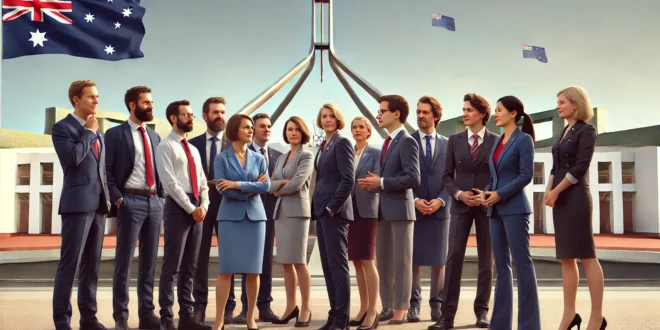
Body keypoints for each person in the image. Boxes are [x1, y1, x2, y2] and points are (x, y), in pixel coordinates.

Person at [432, 93, 497, 330]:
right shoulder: (454, 140)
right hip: (460, 206)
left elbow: (498, 174)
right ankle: (447, 316)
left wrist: (484, 194)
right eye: (463, 109)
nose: (465, 113)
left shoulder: (496, 140)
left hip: (486, 205)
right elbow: (446, 176)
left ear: (481, 114)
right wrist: (459, 195)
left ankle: (482, 312)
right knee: (454, 257)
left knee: (485, 260)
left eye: (469, 110)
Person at [545, 86, 607, 330]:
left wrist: (556, 191)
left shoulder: (587, 130)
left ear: (576, 104)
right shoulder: (563, 132)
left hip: (577, 198)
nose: (558, 105)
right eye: (557, 101)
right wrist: (548, 192)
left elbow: (580, 167)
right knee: (566, 258)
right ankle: (569, 315)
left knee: (587, 256)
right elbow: (555, 167)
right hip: (560, 198)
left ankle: (597, 317)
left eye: (562, 102)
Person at [51, 80, 111, 330]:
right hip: (76, 204)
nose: (96, 101)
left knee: (91, 266)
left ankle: (89, 319)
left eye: (97, 97)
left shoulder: (98, 129)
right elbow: (73, 159)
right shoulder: (62, 128)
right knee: (70, 264)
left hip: (98, 205)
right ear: (76, 99)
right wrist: (88, 132)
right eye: (91, 97)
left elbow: (101, 168)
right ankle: (62, 321)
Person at [358, 95, 420, 326]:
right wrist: (373, 184)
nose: (378, 115)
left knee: (402, 262)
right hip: (383, 211)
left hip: (401, 211)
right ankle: (387, 305)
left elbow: (413, 178)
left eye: (382, 111)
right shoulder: (385, 143)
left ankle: (401, 309)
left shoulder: (407, 141)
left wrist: (381, 182)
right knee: (383, 262)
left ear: (396, 114)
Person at [480, 96, 540, 330]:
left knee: (522, 265)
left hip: (515, 210)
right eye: (495, 110)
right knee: (501, 267)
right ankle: (500, 325)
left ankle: (529, 326)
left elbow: (526, 175)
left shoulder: (524, 140)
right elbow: (494, 177)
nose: (495, 114)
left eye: (499, 110)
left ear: (513, 113)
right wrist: (486, 193)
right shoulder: (497, 142)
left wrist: (499, 194)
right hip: (494, 210)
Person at [106, 86, 162, 330]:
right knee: (124, 261)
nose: (151, 106)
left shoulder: (155, 136)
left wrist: (161, 198)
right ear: (132, 105)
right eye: (146, 102)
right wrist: (119, 200)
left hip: (153, 202)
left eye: (151, 102)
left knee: (149, 262)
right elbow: (106, 171)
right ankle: (121, 316)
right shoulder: (115, 134)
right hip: (130, 202)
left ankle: (147, 314)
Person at [155, 100, 211, 330]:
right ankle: (167, 319)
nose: (191, 118)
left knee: (191, 266)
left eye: (192, 115)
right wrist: (191, 208)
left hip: (197, 206)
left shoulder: (194, 150)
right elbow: (169, 183)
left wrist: (204, 206)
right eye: (186, 115)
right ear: (173, 118)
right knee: (172, 266)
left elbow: (203, 182)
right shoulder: (165, 146)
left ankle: (187, 317)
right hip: (178, 208)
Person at [211, 114, 271, 330]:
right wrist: (251, 187)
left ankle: (250, 318)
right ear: (235, 130)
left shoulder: (259, 158)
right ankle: (219, 320)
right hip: (229, 219)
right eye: (246, 127)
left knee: (253, 271)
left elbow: (266, 187)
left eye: (251, 127)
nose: (250, 130)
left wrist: (236, 185)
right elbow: (220, 188)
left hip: (256, 219)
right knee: (225, 270)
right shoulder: (221, 159)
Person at [312, 103, 356, 330]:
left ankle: (341, 320)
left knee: (338, 267)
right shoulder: (324, 145)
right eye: (324, 116)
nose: (327, 119)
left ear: (338, 119)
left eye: (331, 116)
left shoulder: (342, 142)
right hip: (322, 212)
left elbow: (348, 179)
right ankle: (333, 316)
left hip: (334, 213)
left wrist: (332, 207)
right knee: (329, 267)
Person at [268, 116, 314, 327]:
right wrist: (277, 184)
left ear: (303, 131)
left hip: (297, 212)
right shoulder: (281, 158)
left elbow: (297, 184)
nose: (292, 133)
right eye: (289, 129)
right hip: (281, 213)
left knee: (299, 261)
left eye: (296, 129)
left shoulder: (306, 155)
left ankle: (305, 308)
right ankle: (290, 307)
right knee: (286, 262)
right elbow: (270, 183)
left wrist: (277, 186)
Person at [190, 97, 232, 325]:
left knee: (229, 258)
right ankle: (199, 306)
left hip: (229, 207)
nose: (220, 116)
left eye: (222, 112)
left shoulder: (234, 144)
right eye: (215, 112)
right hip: (202, 208)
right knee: (199, 258)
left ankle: (228, 307)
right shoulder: (192, 144)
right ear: (205, 116)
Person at [408, 96, 450, 323]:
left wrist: (441, 200)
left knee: (438, 260)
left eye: (425, 112)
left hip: (440, 210)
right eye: (418, 112)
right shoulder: (408, 142)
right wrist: (414, 200)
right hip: (413, 210)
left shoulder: (448, 143)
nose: (420, 116)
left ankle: (437, 305)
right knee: (413, 260)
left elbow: (453, 178)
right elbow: (404, 175)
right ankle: (413, 305)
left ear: (435, 116)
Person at [240, 113, 281, 323]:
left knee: (265, 261)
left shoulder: (278, 156)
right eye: (262, 126)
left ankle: (265, 306)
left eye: (269, 126)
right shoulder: (242, 154)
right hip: (247, 213)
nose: (266, 129)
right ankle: (245, 308)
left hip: (270, 215)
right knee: (247, 261)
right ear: (253, 129)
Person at [347, 116, 381, 330]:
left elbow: (378, 181)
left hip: (368, 210)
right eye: (354, 127)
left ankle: (373, 311)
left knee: (368, 260)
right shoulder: (347, 152)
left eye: (361, 127)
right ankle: (363, 307)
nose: (357, 130)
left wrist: (371, 183)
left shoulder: (376, 153)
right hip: (349, 211)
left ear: (369, 131)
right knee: (357, 261)